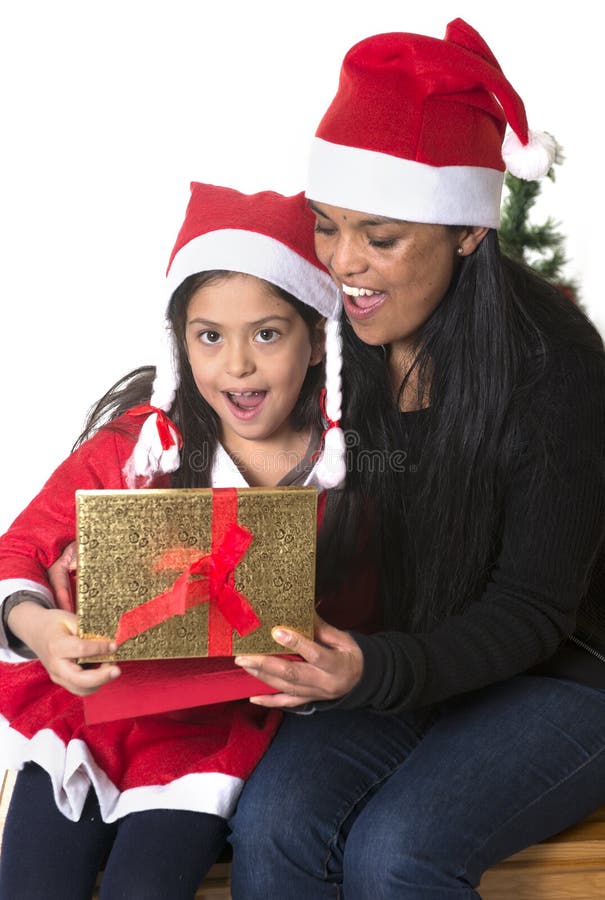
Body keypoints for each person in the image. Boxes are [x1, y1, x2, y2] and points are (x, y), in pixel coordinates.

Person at [228, 18, 605, 899]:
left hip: (560, 670)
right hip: (397, 654)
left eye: (380, 236)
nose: (343, 263)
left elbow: (532, 609)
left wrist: (373, 670)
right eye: (327, 227)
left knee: (396, 853)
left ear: (468, 233)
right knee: (274, 828)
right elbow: (230, 462)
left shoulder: (557, 372)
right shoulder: (327, 340)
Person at [0, 183, 372, 899]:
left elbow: (370, 625)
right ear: (181, 343)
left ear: (317, 340)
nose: (235, 366)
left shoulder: (348, 474)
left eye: (266, 333)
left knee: (146, 887)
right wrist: (43, 626)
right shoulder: (140, 446)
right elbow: (19, 551)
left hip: (213, 736)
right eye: (209, 336)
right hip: (88, 716)